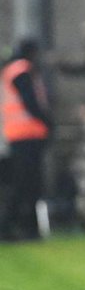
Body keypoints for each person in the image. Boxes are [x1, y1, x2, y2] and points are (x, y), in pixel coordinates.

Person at [1, 39, 52, 241]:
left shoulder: (11, 71)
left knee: (22, 184)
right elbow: (31, 103)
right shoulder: (21, 71)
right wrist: (47, 122)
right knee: (27, 185)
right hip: (26, 135)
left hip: (18, 135)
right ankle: (19, 227)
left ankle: (19, 227)